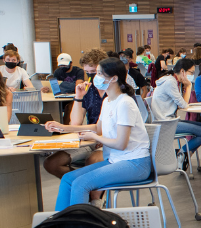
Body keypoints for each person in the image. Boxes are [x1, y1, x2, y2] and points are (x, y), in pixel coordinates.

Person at [52, 57, 151, 211]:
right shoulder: (108, 101)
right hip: (116, 160)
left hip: (135, 163)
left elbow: (120, 143)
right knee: (68, 179)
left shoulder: (125, 103)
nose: (94, 77)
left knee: (81, 184)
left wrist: (95, 138)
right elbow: (98, 128)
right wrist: (64, 128)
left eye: (99, 73)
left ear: (114, 78)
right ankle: (60, 225)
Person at [41, 49, 109, 179]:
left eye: (94, 72)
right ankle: (85, 189)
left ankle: (91, 195)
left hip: (109, 140)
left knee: (92, 161)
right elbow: (75, 123)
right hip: (90, 138)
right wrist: (78, 97)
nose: (91, 76)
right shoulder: (89, 90)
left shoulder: (114, 90)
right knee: (52, 163)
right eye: (87, 73)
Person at [152, 58, 201, 170]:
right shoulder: (170, 82)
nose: (192, 75)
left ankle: (184, 155)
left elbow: (182, 104)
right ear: (182, 71)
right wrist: (189, 86)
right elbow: (184, 105)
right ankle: (182, 153)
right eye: (190, 72)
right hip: (167, 124)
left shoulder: (171, 80)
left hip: (170, 120)